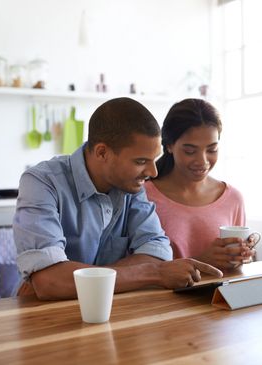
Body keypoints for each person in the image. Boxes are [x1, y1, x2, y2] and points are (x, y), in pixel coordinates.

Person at [13, 97, 222, 300]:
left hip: (114, 312)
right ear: (102, 152)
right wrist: (154, 273)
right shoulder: (41, 182)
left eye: (153, 160)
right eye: (141, 161)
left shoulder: (130, 184)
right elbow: (50, 282)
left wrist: (74, 278)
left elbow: (157, 252)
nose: (153, 172)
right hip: (43, 318)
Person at [145, 98, 256, 270]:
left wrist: (241, 256)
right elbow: (139, 269)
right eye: (190, 151)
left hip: (221, 296)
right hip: (164, 297)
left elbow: (235, 268)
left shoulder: (232, 198)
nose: (202, 161)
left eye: (212, 149)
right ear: (169, 146)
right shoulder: (143, 196)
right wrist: (201, 262)